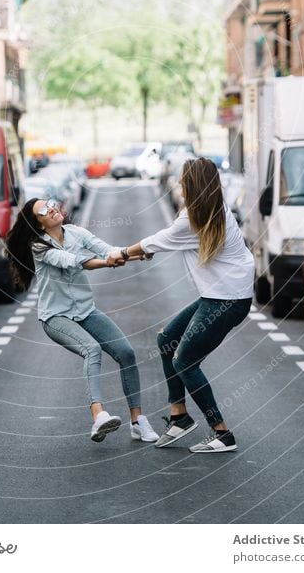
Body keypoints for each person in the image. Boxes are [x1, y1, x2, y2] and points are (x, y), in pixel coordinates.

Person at [117, 156, 254, 453]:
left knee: (184, 361)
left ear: (191, 185)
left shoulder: (195, 218)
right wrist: (144, 251)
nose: (178, 183)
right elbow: (165, 241)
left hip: (226, 300)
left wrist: (122, 253)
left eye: (183, 180)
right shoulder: (210, 211)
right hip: (222, 297)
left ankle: (222, 433)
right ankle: (179, 416)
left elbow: (161, 239)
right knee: (167, 339)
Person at [5, 198, 159, 444]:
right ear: (39, 224)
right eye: (44, 210)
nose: (53, 208)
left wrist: (137, 254)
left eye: (51, 203)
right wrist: (108, 262)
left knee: (126, 353)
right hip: (56, 317)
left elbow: (107, 249)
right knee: (92, 349)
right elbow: (73, 261)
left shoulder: (77, 233)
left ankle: (137, 422)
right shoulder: (39, 247)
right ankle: (98, 416)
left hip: (85, 311)